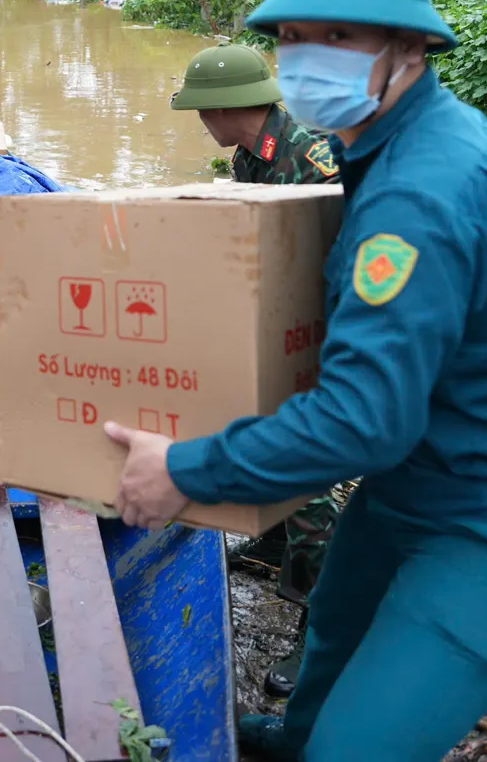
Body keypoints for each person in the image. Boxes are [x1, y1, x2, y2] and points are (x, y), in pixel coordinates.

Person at [106, 0, 487, 761]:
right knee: (331, 639)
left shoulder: (420, 191)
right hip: (413, 481)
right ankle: (298, 737)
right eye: (293, 38)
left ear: (407, 46)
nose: (304, 58)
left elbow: (364, 422)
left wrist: (181, 469)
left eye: (337, 35)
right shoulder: (387, 142)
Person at [172, 42, 345, 697]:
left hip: (323, 330)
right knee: (258, 433)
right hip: (275, 322)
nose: (198, 123)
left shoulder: (311, 156)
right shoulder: (249, 157)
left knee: (308, 479)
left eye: (200, 110)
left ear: (225, 107)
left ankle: (318, 631)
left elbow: (350, 246)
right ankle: (275, 546)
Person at [171, 43, 341, 185]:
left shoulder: (310, 160)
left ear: (217, 109)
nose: (202, 119)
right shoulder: (247, 151)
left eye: (200, 109)